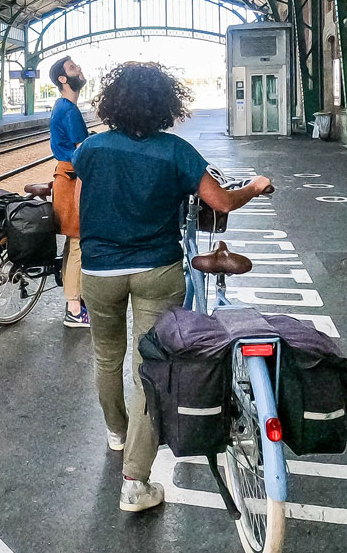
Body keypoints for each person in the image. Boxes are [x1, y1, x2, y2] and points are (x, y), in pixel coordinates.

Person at [74, 62, 271, 512]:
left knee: (107, 356)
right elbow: (220, 200)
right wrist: (255, 187)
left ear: (113, 102)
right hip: (156, 272)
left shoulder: (91, 149)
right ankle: (135, 481)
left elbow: (82, 202)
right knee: (152, 368)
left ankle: (118, 432)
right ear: (166, 104)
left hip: (99, 271)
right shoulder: (176, 152)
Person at [48, 56, 91, 328]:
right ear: (63, 80)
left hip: (65, 175)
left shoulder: (63, 106)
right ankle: (74, 309)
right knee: (77, 243)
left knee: (72, 242)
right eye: (73, 68)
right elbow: (82, 149)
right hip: (72, 176)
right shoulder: (69, 110)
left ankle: (74, 300)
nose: (80, 69)